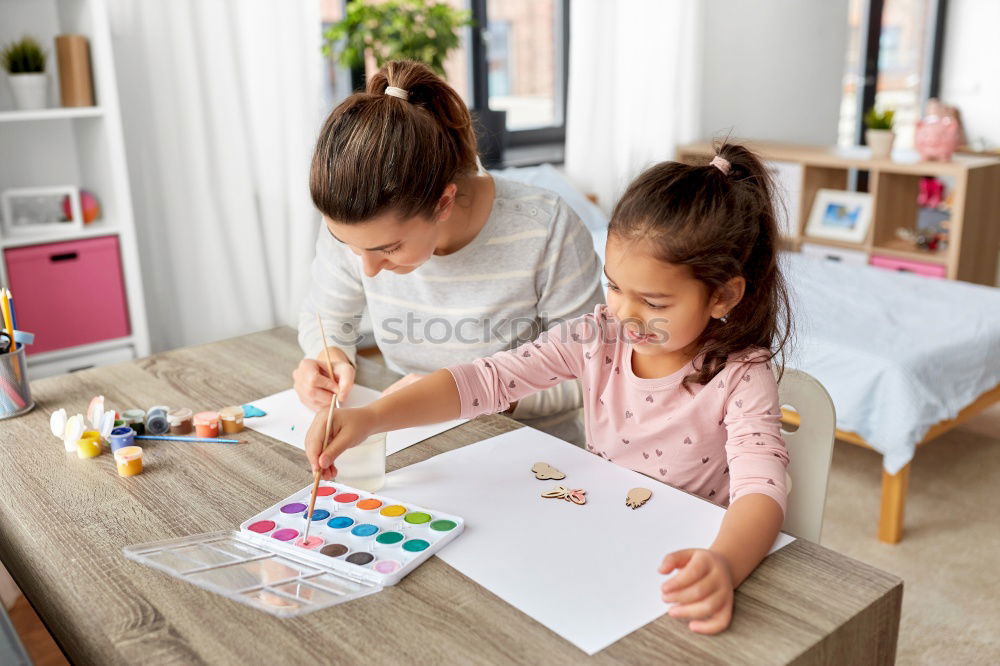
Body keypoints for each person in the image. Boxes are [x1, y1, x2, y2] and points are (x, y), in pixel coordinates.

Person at [306, 142, 792, 635]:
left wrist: (726, 565)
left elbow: (762, 489)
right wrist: (373, 417)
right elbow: (486, 380)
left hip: (677, 560)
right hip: (599, 537)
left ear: (723, 295)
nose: (624, 314)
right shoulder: (597, 334)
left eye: (654, 301)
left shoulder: (742, 377)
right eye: (616, 286)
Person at [295, 60, 602, 442]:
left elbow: (592, 370)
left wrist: (466, 396)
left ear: (443, 203)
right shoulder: (357, 227)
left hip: (529, 451)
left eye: (389, 248)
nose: (368, 269)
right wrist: (328, 357)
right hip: (412, 438)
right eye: (350, 247)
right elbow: (323, 318)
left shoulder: (547, 229)